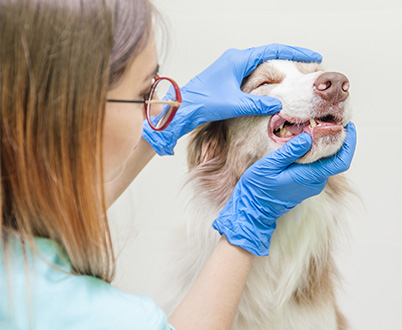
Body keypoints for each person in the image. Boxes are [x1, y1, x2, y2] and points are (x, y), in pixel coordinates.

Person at [0, 0, 357, 329]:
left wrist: (170, 127)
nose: (163, 109)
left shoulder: (15, 242)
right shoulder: (85, 311)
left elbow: (40, 217)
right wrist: (250, 221)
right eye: (145, 93)